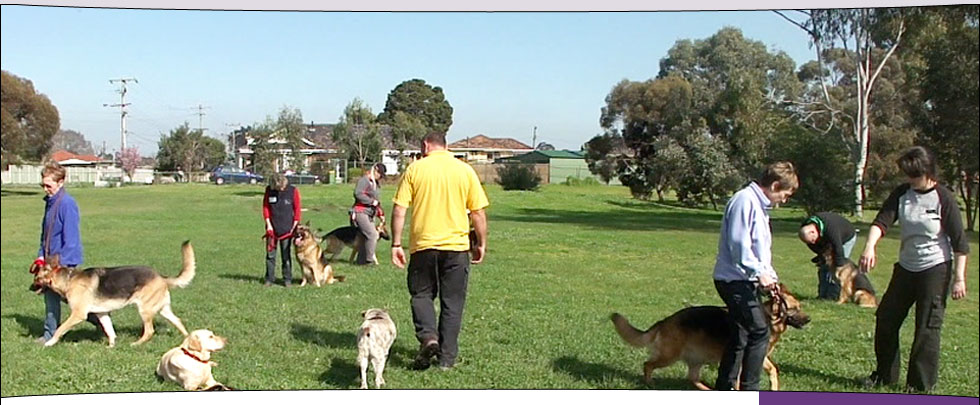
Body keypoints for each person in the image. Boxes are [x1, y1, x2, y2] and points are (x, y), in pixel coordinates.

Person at [859, 146, 969, 392]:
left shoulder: (944, 198)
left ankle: (919, 385)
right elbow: (881, 221)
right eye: (906, 174)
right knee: (886, 318)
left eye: (913, 175)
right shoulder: (902, 193)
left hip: (935, 269)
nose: (909, 179)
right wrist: (869, 247)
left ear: (928, 172)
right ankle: (884, 375)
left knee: (927, 327)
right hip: (906, 267)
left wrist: (959, 279)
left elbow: (960, 244)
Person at [390, 131, 489, 371]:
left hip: (423, 246)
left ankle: (428, 337)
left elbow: (400, 209)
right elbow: (477, 213)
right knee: (452, 302)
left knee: (422, 295)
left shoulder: (415, 170)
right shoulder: (464, 170)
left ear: (425, 145)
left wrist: (396, 243)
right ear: (445, 146)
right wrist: (481, 243)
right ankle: (446, 359)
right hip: (456, 248)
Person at [713, 161, 798, 391]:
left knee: (740, 334)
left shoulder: (759, 207)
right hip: (732, 280)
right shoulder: (744, 201)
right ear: (776, 185)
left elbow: (761, 251)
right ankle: (750, 390)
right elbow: (739, 245)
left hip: (746, 279)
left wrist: (771, 278)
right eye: (786, 194)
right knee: (759, 331)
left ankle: (726, 387)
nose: (785, 200)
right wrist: (758, 273)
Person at [34, 162, 101, 343]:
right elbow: (45, 234)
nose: (45, 189)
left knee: (57, 297)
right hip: (50, 261)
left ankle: (49, 335)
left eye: (49, 185)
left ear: (61, 182)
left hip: (63, 262)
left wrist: (64, 264)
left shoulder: (67, 204)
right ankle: (97, 320)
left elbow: (71, 237)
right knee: (62, 297)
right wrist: (41, 256)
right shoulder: (50, 203)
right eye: (43, 185)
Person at [798, 212, 857, 300]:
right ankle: (822, 295)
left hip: (845, 238)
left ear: (813, 232)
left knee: (837, 269)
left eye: (813, 240)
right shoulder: (806, 228)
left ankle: (833, 295)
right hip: (827, 241)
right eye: (810, 242)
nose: (813, 243)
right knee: (823, 267)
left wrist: (838, 266)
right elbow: (814, 246)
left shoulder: (831, 228)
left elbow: (838, 248)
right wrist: (822, 256)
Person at [262, 173, 301, 287]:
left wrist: (295, 224)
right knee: (270, 256)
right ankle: (269, 279)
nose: (281, 189)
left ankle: (287, 279)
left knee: (286, 255)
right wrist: (268, 224)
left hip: (287, 229)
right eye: (279, 188)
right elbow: (266, 208)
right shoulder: (269, 190)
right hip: (272, 229)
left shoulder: (293, 191)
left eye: (282, 187)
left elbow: (297, 208)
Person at [351, 163, 387, 265]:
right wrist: (371, 202)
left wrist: (380, 214)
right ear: (375, 170)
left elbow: (377, 201)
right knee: (372, 235)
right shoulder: (364, 180)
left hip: (370, 213)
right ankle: (369, 260)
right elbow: (358, 194)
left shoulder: (375, 183)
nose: (380, 177)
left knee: (364, 237)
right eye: (379, 174)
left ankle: (361, 261)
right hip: (360, 212)